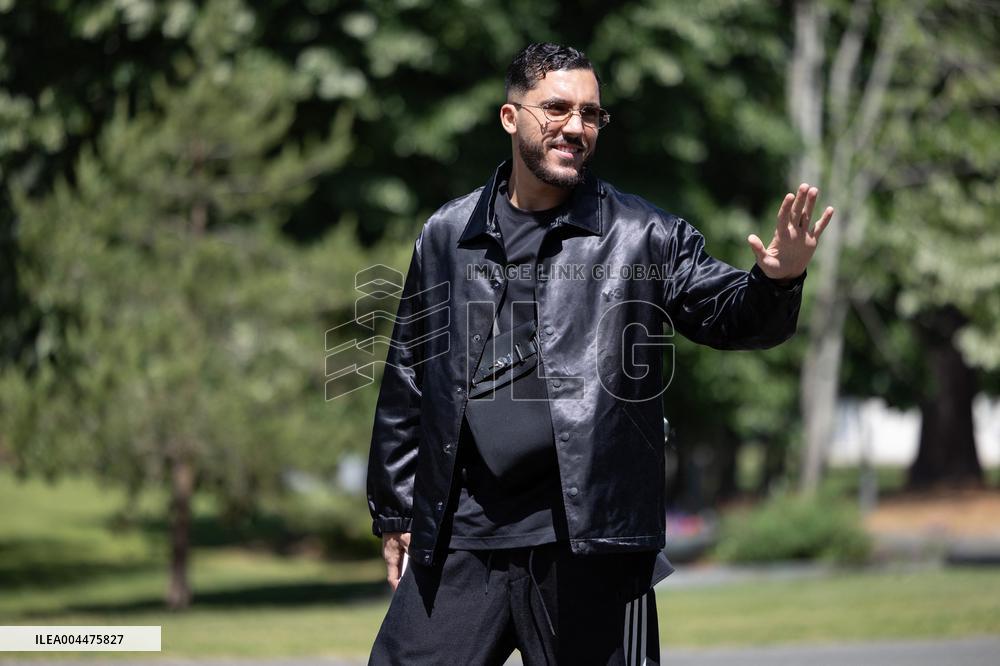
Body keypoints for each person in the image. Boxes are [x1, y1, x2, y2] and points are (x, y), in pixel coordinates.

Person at [365, 42, 834, 665]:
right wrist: (397, 507)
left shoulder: (644, 234)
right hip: (463, 536)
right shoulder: (448, 234)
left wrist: (777, 280)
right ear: (511, 118)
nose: (576, 127)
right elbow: (409, 375)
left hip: (590, 542)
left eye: (591, 114)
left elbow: (730, 316)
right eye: (556, 109)